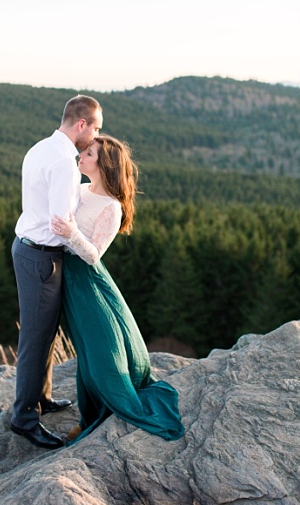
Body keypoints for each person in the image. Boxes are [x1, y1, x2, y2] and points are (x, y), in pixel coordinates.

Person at [51, 135, 184, 443]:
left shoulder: (112, 207)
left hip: (87, 281)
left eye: (88, 153)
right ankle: (90, 412)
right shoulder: (81, 190)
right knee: (86, 348)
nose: (81, 156)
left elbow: (94, 253)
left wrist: (71, 233)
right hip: (69, 279)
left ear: (104, 163)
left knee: (101, 349)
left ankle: (112, 401)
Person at [10, 94, 103, 449]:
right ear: (81, 124)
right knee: (35, 337)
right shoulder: (65, 162)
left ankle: (42, 397)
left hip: (28, 249)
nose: (95, 137)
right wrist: (88, 249)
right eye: (95, 128)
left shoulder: (41, 148)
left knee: (45, 331)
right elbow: (61, 221)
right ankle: (24, 419)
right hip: (42, 257)